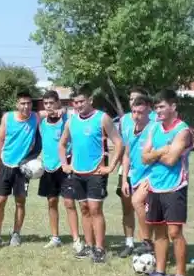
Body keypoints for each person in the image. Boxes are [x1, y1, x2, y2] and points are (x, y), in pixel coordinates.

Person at [58, 84, 122, 263]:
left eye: (82, 101)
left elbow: (118, 143)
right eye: (75, 102)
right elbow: (62, 144)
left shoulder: (102, 118)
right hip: (77, 172)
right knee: (84, 209)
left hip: (96, 171)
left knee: (95, 209)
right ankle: (88, 245)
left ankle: (100, 249)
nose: (78, 105)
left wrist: (111, 167)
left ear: (90, 100)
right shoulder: (71, 121)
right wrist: (65, 164)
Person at [140, 89, 193, 276]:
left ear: (173, 106)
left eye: (162, 106)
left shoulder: (183, 130)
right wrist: (161, 150)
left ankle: (180, 275)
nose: (158, 111)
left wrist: (154, 154)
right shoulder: (154, 128)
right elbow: (143, 158)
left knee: (174, 232)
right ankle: (160, 272)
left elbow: (172, 160)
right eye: (156, 107)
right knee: (159, 232)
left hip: (174, 187)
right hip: (155, 186)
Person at [0, 90, 38, 247]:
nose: (26, 106)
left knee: (20, 202)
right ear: (17, 104)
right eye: (23, 103)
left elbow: (51, 111)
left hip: (22, 168)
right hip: (5, 164)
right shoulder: (8, 117)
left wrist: (61, 109)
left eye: (29, 103)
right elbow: (0, 139)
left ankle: (16, 234)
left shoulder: (35, 118)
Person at [37, 90, 81, 250]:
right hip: (48, 168)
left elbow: (73, 113)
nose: (49, 106)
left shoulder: (67, 120)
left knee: (69, 202)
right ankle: (55, 237)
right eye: (46, 103)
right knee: (51, 202)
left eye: (52, 103)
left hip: (65, 166)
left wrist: (63, 111)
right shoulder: (42, 122)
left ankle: (76, 239)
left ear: (58, 103)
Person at [116, 87, 156, 257]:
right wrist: (124, 179)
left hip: (150, 176)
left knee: (146, 208)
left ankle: (149, 243)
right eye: (131, 100)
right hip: (130, 174)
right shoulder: (125, 123)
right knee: (130, 206)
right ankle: (132, 243)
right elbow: (126, 154)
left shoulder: (155, 125)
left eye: (138, 101)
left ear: (147, 108)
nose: (136, 114)